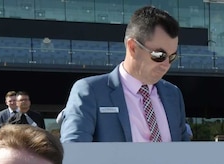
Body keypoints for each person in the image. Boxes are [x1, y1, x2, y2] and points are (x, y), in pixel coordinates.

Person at [59, 5, 190, 143]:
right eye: (159, 55)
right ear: (133, 47)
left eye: (172, 57)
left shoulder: (173, 95)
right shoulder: (90, 91)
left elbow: (184, 154)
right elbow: (74, 153)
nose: (166, 64)